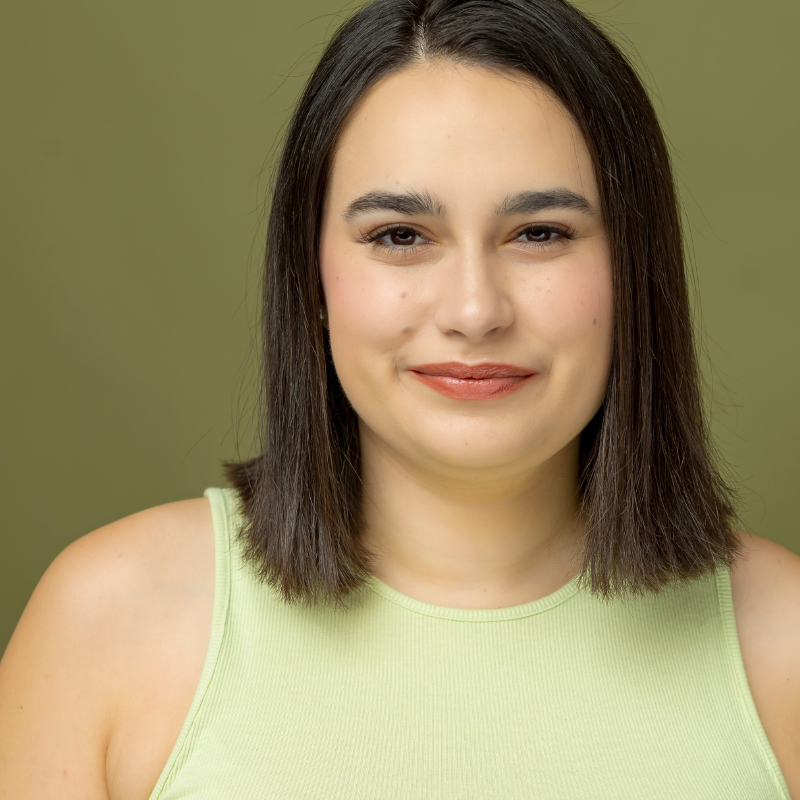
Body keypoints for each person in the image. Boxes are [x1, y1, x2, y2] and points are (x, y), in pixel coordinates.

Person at [0, 0, 797, 797]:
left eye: (541, 232)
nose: (475, 311)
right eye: (400, 236)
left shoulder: (785, 645)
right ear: (310, 275)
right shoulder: (109, 623)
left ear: (636, 271)